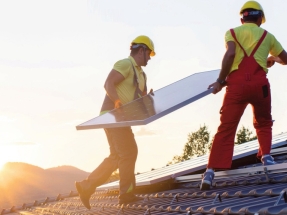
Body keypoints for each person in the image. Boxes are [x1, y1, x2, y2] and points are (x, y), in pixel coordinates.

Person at [200, 1, 287, 191]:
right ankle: (266, 156)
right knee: (263, 122)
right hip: (260, 85)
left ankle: (210, 171)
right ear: (259, 19)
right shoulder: (267, 36)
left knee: (226, 127)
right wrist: (272, 59)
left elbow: (230, 55)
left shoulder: (232, 33)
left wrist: (220, 81)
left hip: (236, 86)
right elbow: (286, 59)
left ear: (242, 18)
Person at [75, 35, 156, 208]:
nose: (150, 58)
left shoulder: (142, 75)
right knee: (129, 152)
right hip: (112, 114)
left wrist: (148, 98)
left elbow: (139, 100)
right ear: (140, 50)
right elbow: (108, 83)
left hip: (121, 117)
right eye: (149, 53)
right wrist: (117, 101)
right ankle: (126, 194)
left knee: (118, 155)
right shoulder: (125, 64)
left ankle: (87, 185)